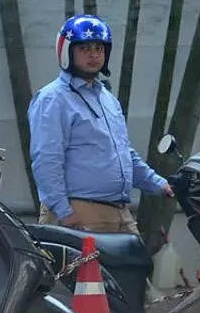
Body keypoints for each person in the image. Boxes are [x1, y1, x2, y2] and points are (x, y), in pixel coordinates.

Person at [30, 15, 172, 235]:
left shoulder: (106, 98)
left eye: (99, 48)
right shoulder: (53, 99)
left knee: (138, 268)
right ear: (67, 50)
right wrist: (64, 211)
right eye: (84, 48)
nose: (93, 54)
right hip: (78, 211)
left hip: (120, 212)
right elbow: (46, 159)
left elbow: (122, 153)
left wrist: (159, 184)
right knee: (83, 271)